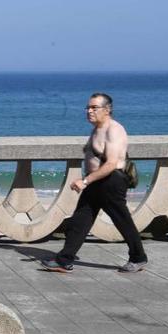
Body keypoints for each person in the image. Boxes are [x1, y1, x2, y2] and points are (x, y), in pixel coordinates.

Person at [41, 93, 148, 273]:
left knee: (122, 221)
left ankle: (139, 257)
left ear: (107, 110)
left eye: (94, 108)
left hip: (111, 181)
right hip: (97, 182)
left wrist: (85, 180)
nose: (89, 111)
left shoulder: (114, 130)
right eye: (88, 107)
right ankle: (64, 260)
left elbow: (111, 163)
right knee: (80, 220)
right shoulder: (97, 128)